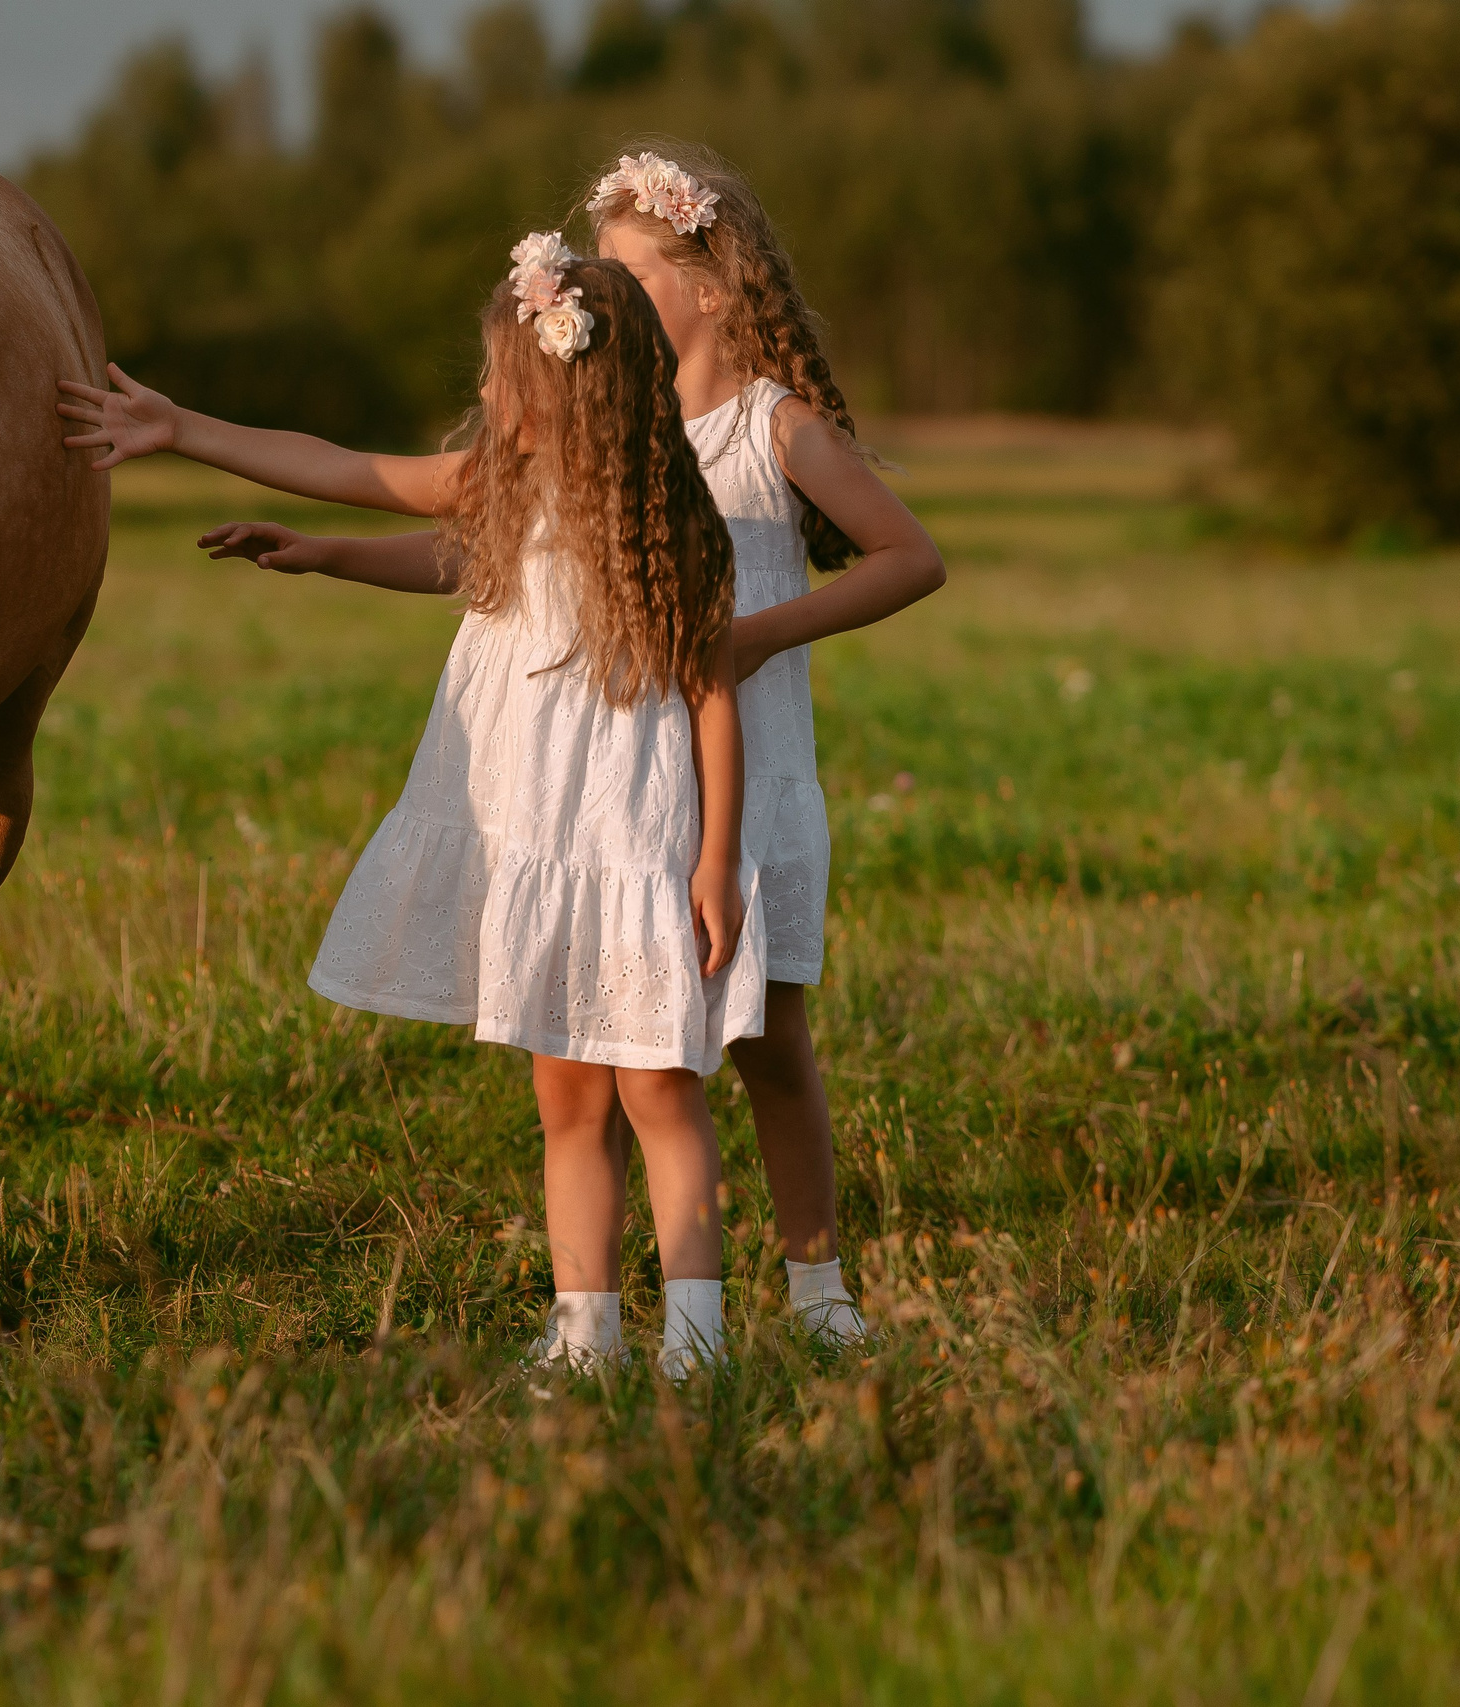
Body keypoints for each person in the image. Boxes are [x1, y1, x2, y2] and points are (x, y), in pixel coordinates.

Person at [57, 147, 945, 1347]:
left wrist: (744, 641)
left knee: (768, 1044)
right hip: (605, 793)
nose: (606, 290)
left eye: (628, 273)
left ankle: (814, 1292)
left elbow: (909, 557)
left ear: (714, 281)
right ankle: (617, 1319)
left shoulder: (760, 431)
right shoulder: (569, 440)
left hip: (735, 772)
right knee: (597, 1074)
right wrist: (189, 435)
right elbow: (389, 490)